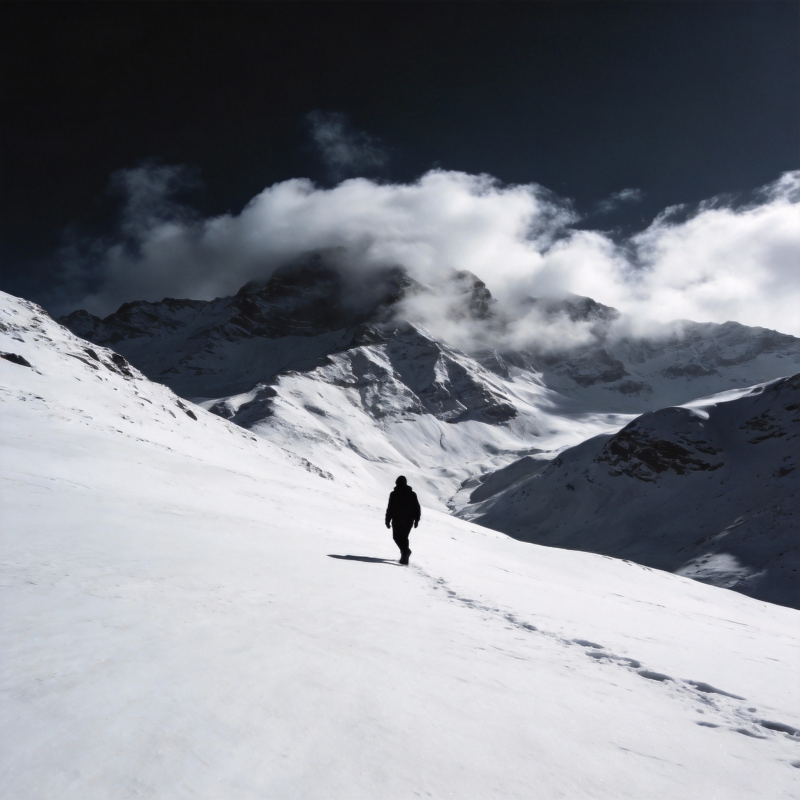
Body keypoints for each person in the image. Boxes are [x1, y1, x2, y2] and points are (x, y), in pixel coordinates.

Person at [385, 475, 421, 565]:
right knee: (404, 538)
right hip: (408, 520)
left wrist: (387, 520)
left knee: (397, 537)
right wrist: (416, 520)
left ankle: (405, 552)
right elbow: (417, 508)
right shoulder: (411, 494)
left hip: (397, 519)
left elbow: (390, 508)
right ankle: (404, 556)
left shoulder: (394, 494)